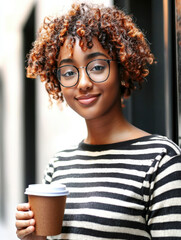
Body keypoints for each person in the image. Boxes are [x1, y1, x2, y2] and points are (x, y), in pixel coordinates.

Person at [15, 2, 181, 240]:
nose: (83, 83)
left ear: (122, 70)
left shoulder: (162, 159)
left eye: (97, 67)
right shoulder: (58, 166)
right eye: (69, 72)